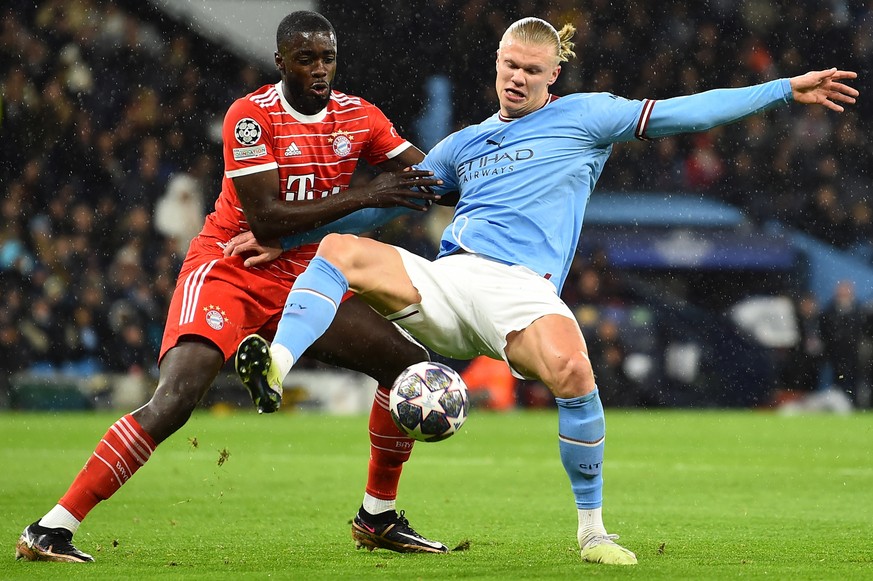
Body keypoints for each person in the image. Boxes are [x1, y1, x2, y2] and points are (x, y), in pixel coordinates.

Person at [233, 16, 858, 566]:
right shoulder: (462, 144)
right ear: (497, 64)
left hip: (522, 292)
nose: (518, 78)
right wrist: (288, 241)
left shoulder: (587, 116)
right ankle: (275, 369)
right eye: (510, 65)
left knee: (574, 372)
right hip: (451, 279)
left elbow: (684, 110)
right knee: (339, 251)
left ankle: (592, 532)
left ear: (551, 76)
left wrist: (783, 90)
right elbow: (377, 212)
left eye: (532, 70)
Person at [15, 11, 449, 563]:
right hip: (230, 269)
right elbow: (265, 221)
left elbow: (433, 179)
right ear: (280, 62)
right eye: (306, 58)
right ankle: (51, 528)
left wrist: (504, 159)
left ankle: (377, 516)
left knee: (405, 365)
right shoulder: (250, 117)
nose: (320, 69)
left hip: (305, 278)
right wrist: (367, 194)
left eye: (328, 58)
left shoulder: (361, 118)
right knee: (174, 400)